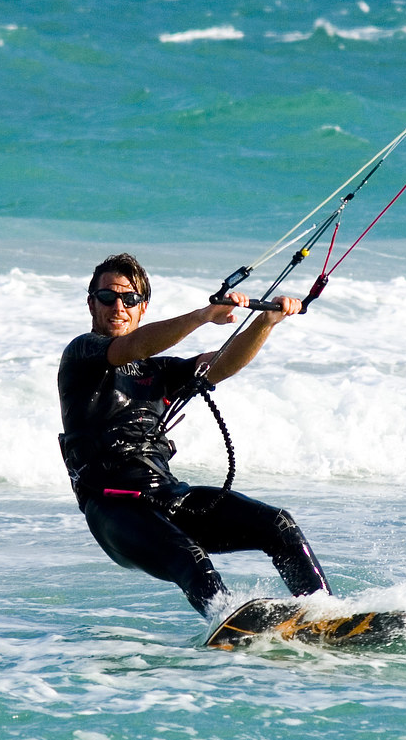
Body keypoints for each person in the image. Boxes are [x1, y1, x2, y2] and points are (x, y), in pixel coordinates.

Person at [57, 253, 332, 621]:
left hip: (165, 495)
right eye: (107, 297)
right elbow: (132, 347)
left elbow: (221, 364)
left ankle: (325, 614)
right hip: (112, 508)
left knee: (278, 525)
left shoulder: (160, 371)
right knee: (189, 557)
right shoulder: (82, 353)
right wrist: (203, 316)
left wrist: (265, 322)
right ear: (92, 303)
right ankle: (230, 622)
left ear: (143, 307)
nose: (118, 307)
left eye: (129, 299)